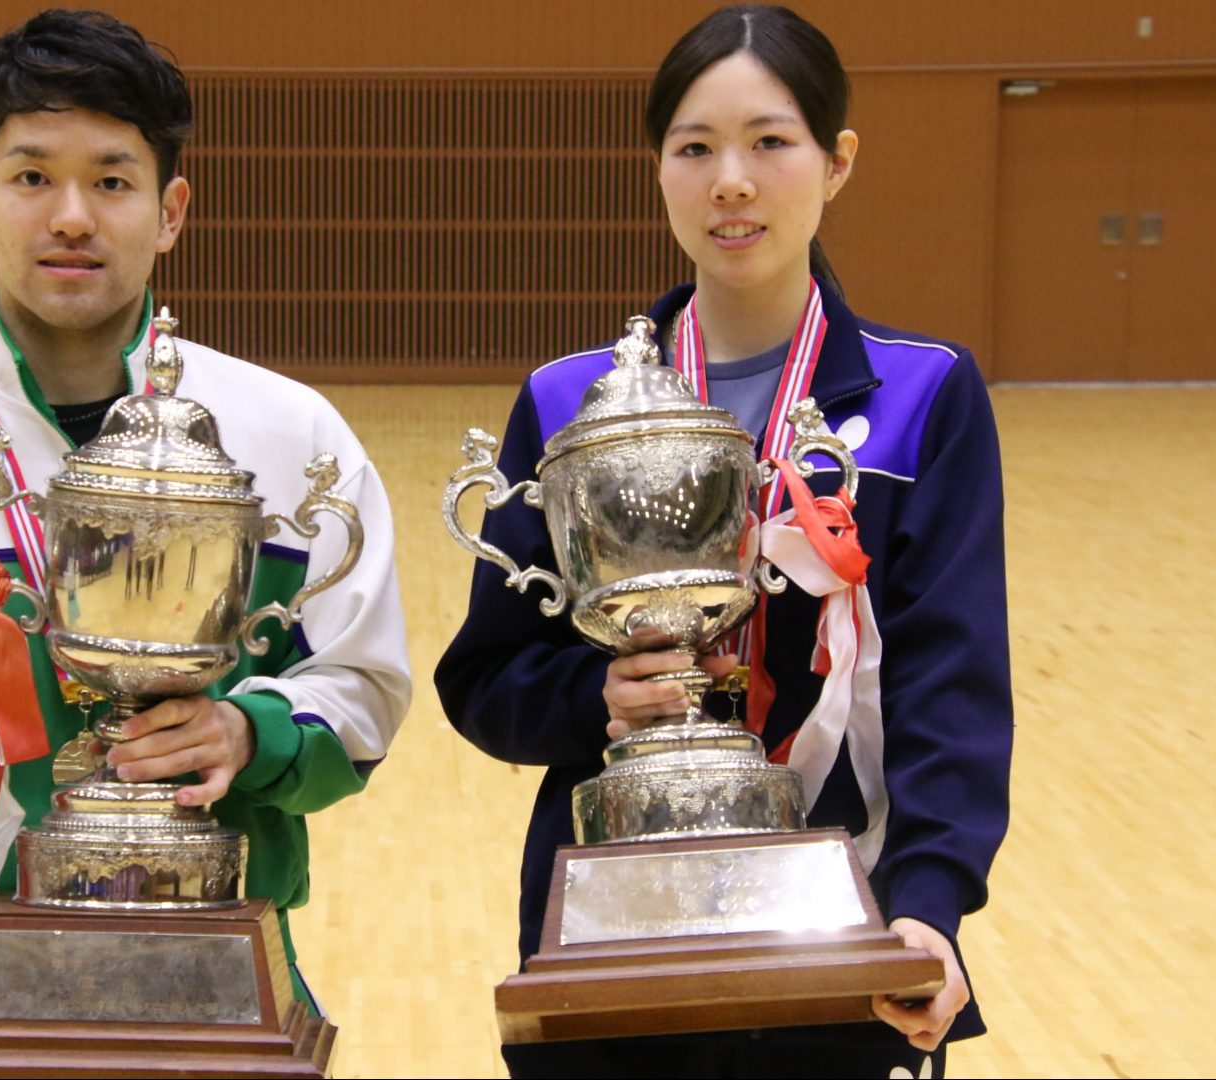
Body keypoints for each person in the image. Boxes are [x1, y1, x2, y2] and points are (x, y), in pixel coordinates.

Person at [0, 9, 410, 1066]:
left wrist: (249, 735)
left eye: (112, 179)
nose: (72, 217)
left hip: (221, 989)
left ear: (171, 210)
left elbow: (362, 687)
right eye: (32, 177)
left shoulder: (291, 442)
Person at [435, 6, 1011, 1078]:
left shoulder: (922, 396)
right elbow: (487, 679)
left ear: (836, 162)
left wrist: (929, 908)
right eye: (693, 147)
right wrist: (595, 696)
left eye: (768, 142)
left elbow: (952, 684)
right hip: (607, 939)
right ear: (656, 169)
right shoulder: (569, 405)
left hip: (841, 943)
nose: (729, 182)